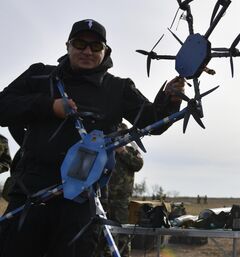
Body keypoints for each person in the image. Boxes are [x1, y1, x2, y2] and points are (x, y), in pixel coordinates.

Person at [0, 18, 184, 257]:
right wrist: (48, 106)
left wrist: (169, 100)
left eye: (95, 46)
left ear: (105, 51)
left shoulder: (119, 89)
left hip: (79, 204)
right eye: (80, 44)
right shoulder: (39, 76)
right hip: (29, 194)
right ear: (68, 45)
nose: (87, 51)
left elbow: (153, 121)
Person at [98, 123, 144, 257]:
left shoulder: (131, 149)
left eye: (121, 134)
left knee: (122, 231)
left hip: (121, 200)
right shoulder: (106, 147)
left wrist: (122, 151)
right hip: (104, 198)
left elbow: (138, 164)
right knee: (104, 232)